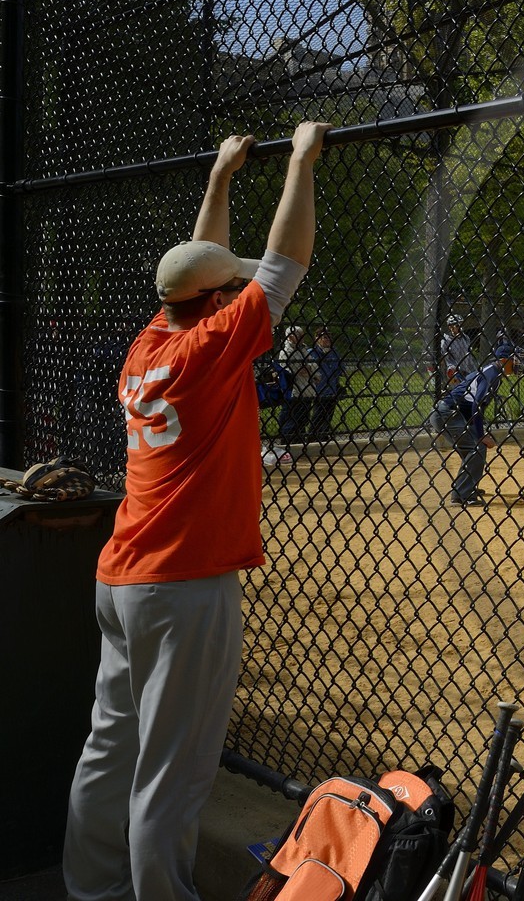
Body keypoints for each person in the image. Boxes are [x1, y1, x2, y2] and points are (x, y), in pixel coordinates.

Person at [64, 121, 330, 901]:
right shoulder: (213, 348)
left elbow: (187, 268)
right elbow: (288, 263)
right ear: (214, 303)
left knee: (110, 750)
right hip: (184, 587)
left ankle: (91, 891)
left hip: (121, 579)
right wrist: (303, 159)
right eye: (228, 290)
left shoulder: (151, 342)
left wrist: (218, 175)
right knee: (174, 772)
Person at [437, 342, 524, 505]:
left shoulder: (493, 372)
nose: (518, 363)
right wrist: (480, 435)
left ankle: (466, 486)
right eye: (515, 359)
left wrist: (478, 432)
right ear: (504, 359)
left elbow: (473, 404)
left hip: (454, 414)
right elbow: (476, 404)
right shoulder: (492, 375)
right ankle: (462, 495)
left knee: (471, 447)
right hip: (448, 414)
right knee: (476, 446)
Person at [277, 324, 315, 443]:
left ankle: (299, 442)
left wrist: (309, 368)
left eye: (302, 335)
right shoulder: (285, 351)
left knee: (303, 419)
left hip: (307, 388)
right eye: (298, 335)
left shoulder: (304, 349)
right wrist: (300, 370)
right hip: (293, 390)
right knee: (290, 418)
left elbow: (314, 365)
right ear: (290, 337)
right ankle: (287, 442)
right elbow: (286, 370)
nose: (301, 337)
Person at [310, 328, 343, 438]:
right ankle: (312, 436)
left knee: (328, 415)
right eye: (324, 337)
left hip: (331, 389)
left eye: (329, 337)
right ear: (317, 339)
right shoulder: (312, 353)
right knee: (318, 415)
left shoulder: (334, 352)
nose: (328, 340)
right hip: (318, 389)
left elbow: (340, 369)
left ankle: (324, 435)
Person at [439, 313, 473, 386]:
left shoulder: (466, 338)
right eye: (457, 325)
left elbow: (469, 356)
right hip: (453, 371)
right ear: (450, 327)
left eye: (461, 324)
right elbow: (443, 359)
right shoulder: (446, 340)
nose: (460, 327)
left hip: (466, 370)